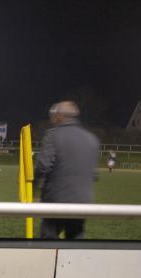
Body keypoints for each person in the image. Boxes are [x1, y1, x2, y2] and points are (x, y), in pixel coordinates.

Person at [34, 101, 100, 240]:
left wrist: (33, 190)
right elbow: (94, 174)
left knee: (48, 243)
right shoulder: (91, 139)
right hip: (83, 202)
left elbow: (42, 166)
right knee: (76, 243)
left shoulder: (53, 135)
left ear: (60, 116)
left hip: (56, 201)